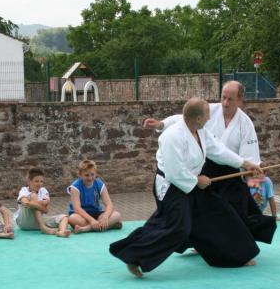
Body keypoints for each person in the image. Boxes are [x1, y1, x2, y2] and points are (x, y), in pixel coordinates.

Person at [110, 98, 261, 278]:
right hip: (172, 186)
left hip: (190, 182)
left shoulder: (201, 132)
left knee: (220, 212)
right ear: (197, 118)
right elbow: (174, 172)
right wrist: (197, 181)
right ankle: (133, 256)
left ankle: (235, 256)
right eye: (207, 115)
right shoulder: (172, 136)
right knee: (176, 228)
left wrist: (244, 163)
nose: (209, 119)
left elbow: (218, 150)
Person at [144, 81, 276, 244]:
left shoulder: (245, 124)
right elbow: (183, 118)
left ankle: (238, 244)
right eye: (223, 98)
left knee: (238, 208)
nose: (225, 103)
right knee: (202, 210)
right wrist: (162, 124)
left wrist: (252, 171)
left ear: (240, 100)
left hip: (230, 172)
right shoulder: (210, 110)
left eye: (230, 99)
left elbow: (247, 159)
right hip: (205, 169)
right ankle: (204, 243)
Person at [68, 159, 123, 233]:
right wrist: (91, 220)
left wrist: (105, 217)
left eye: (92, 174)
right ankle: (108, 225)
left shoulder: (100, 184)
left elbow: (109, 204)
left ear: (96, 173)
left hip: (97, 214)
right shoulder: (75, 187)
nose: (90, 178)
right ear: (80, 175)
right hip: (82, 216)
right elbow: (77, 209)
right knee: (72, 218)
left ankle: (87, 228)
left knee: (117, 215)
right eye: (86, 175)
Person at [14, 167, 70, 237]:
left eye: (41, 181)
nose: (39, 184)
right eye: (36, 181)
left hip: (37, 221)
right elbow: (26, 203)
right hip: (24, 222)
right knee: (33, 195)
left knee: (64, 217)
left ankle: (61, 232)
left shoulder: (43, 191)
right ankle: (43, 228)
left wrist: (34, 204)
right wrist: (37, 204)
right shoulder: (24, 190)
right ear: (29, 181)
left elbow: (46, 210)